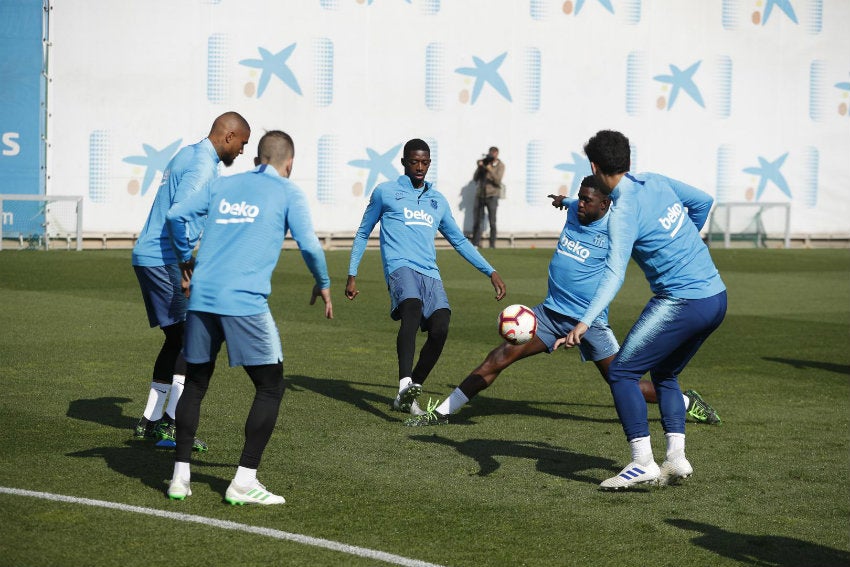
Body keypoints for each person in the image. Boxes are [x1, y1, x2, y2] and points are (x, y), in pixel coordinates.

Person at [404, 176, 720, 427]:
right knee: (498, 358)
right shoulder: (575, 209)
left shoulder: (617, 228)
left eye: (587, 200)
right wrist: (562, 200)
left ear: (606, 204)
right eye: (578, 197)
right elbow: (572, 202)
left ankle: (687, 402)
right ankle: (442, 412)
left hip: (590, 323)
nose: (579, 204)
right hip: (549, 314)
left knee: (625, 385)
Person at [164, 130, 333, 505]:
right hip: (244, 302)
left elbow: (176, 214)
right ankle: (243, 482)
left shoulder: (223, 184)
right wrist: (323, 282)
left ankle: (180, 478)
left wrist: (185, 260)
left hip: (203, 296)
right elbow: (308, 245)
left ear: (257, 159)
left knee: (195, 383)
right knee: (270, 386)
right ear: (290, 163)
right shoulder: (289, 192)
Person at [561, 130, 727, 490]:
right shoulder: (656, 180)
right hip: (717, 297)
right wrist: (681, 242)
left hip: (683, 301)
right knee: (665, 373)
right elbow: (704, 201)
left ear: (593, 166)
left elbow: (614, 273)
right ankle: (676, 458)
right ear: (627, 159)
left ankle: (642, 463)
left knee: (621, 374)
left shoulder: (623, 213)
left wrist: (585, 322)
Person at [346, 138, 507, 417]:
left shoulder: (438, 200)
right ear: (404, 163)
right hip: (400, 266)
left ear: (429, 163)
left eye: (424, 162)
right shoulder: (385, 192)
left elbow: (459, 240)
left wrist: (489, 271)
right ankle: (404, 383)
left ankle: (410, 393)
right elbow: (362, 232)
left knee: (441, 327)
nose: (419, 167)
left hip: (430, 271)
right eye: (414, 161)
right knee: (412, 308)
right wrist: (352, 273)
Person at [131, 111, 251, 450]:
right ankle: (172, 425)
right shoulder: (202, 167)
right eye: (241, 144)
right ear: (228, 137)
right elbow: (177, 214)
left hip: (152, 255)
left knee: (177, 339)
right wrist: (186, 261)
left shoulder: (187, 152)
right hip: (166, 257)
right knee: (191, 339)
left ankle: (151, 421)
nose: (241, 151)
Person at [471, 146, 505, 249]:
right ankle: (475, 243)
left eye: (494, 154)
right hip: (480, 194)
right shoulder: (485, 163)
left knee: (492, 221)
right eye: (491, 153)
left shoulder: (500, 165)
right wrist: (480, 167)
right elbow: (475, 178)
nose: (492, 155)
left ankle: (492, 244)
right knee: (477, 220)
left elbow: (498, 180)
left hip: (492, 195)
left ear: (497, 154)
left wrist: (490, 169)